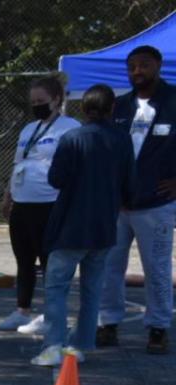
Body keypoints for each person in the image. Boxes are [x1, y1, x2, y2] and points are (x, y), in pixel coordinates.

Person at [31, 84, 135, 367]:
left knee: (57, 287)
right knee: (92, 288)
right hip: (104, 226)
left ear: (84, 109)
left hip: (71, 225)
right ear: (112, 108)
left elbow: (56, 179)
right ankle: (82, 343)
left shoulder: (73, 138)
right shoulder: (123, 140)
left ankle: (54, 344)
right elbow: (129, 184)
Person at [97, 45, 176, 355]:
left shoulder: (173, 102)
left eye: (144, 65)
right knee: (107, 266)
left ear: (157, 66)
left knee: (156, 269)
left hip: (156, 204)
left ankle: (158, 328)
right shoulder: (119, 107)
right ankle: (108, 323)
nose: (137, 72)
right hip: (116, 205)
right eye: (132, 67)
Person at [0, 76, 82, 335]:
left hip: (51, 203)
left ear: (57, 99)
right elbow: (17, 165)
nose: (37, 105)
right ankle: (22, 311)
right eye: (33, 102)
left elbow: (76, 166)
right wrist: (8, 196)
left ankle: (51, 315)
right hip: (23, 203)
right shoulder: (28, 129)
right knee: (23, 259)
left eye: (42, 101)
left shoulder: (70, 127)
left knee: (50, 263)